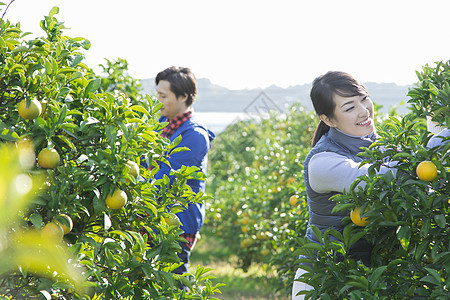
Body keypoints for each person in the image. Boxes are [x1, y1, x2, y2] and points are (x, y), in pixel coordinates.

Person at [292, 71, 395, 299]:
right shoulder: (322, 162)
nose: (364, 111)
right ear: (327, 119)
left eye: (364, 98)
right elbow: (379, 179)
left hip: (367, 278)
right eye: (349, 108)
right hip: (323, 281)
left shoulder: (382, 146)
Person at [151, 66, 215, 275]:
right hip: (151, 217)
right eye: (157, 94)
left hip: (176, 225)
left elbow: (163, 179)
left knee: (171, 283)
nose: (158, 100)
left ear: (184, 97)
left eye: (163, 95)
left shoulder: (194, 136)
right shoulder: (161, 124)